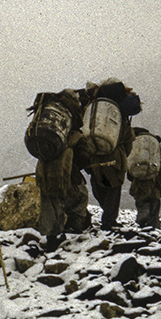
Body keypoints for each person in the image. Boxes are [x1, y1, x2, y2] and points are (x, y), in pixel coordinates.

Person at [31, 89, 92, 250]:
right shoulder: (72, 131)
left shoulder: (49, 130)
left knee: (49, 200)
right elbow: (82, 154)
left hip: (43, 167)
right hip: (65, 168)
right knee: (79, 195)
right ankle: (73, 228)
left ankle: (51, 237)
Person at [79, 79, 140, 230]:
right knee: (113, 190)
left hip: (94, 155)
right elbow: (127, 140)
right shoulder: (120, 115)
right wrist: (122, 155)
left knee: (98, 186)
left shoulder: (94, 110)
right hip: (115, 158)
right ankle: (109, 221)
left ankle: (107, 217)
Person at [127, 128, 161, 229]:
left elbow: (129, 175)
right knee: (154, 213)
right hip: (155, 188)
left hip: (139, 188)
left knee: (142, 207)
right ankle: (154, 230)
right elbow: (160, 175)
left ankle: (143, 227)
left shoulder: (134, 153)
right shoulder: (155, 153)